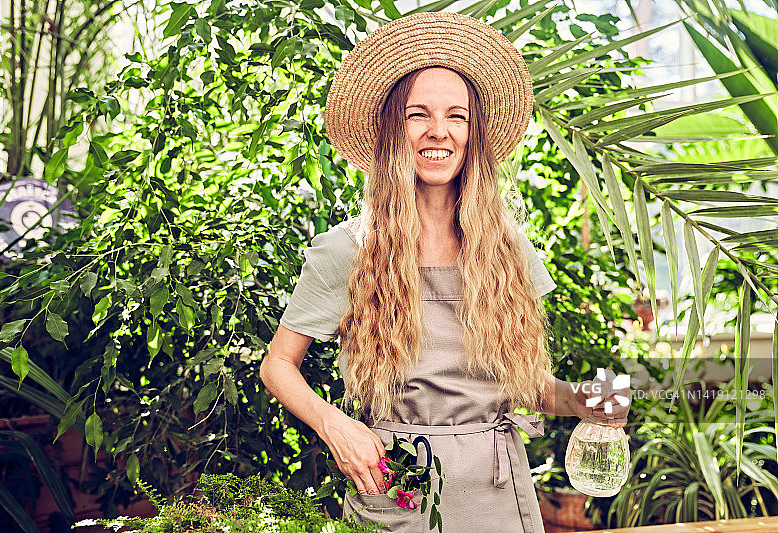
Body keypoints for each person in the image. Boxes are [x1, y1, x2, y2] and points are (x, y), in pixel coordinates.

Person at [260, 11, 630, 533]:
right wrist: (336, 426)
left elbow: (524, 386)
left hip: (498, 492)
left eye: (457, 116)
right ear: (393, 131)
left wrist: (584, 400)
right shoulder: (349, 249)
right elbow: (278, 365)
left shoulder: (507, 250)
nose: (439, 131)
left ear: (473, 133)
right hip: (396, 486)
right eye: (418, 115)